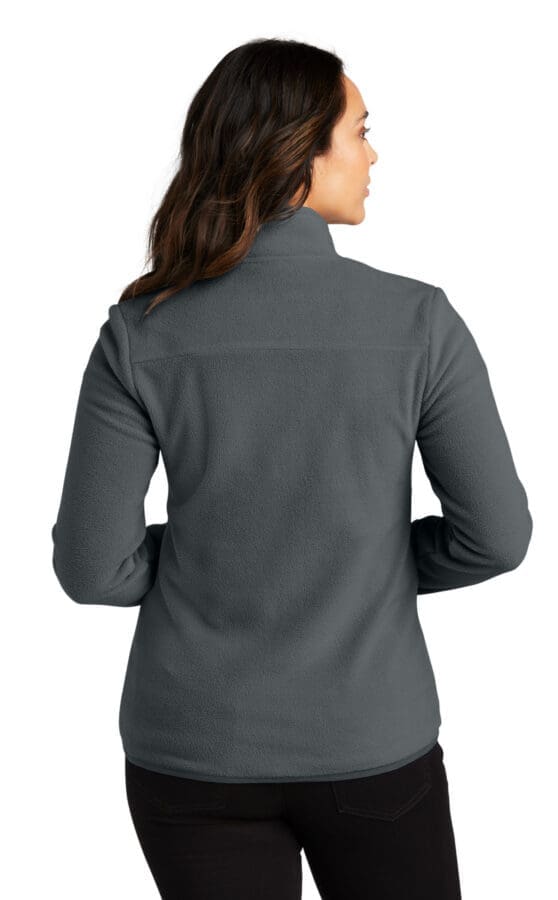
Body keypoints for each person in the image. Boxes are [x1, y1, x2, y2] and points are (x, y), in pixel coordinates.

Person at [51, 37, 533, 900]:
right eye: (360, 131)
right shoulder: (418, 323)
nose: (374, 155)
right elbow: (496, 538)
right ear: (298, 150)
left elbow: (93, 570)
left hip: (191, 751)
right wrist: (367, 564)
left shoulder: (140, 332)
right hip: (369, 739)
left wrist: (214, 560)